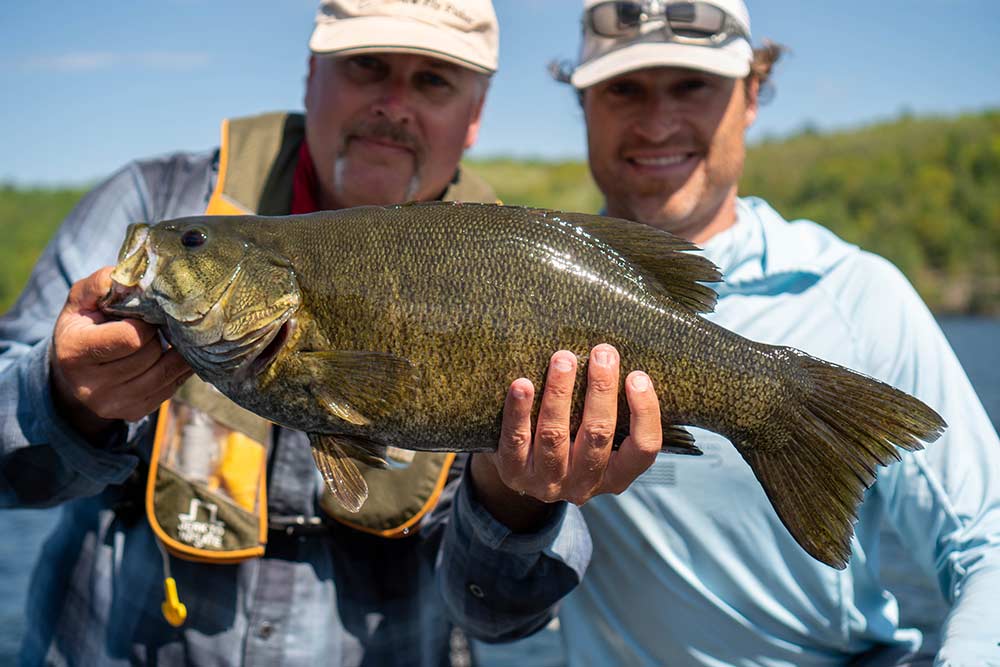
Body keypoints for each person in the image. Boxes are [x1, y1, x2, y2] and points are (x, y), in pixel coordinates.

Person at [0, 2, 665, 665]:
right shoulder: (155, 203)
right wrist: (62, 394)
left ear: (476, 114)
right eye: (367, 66)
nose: (393, 103)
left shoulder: (512, 267)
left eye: (433, 80)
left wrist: (514, 496)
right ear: (311, 74)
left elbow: (499, 612)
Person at [491, 1, 1000, 666]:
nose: (657, 121)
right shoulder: (511, 289)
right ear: (582, 100)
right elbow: (491, 607)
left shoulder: (857, 297)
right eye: (624, 88)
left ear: (752, 93)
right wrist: (507, 492)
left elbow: (984, 537)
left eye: (692, 86)